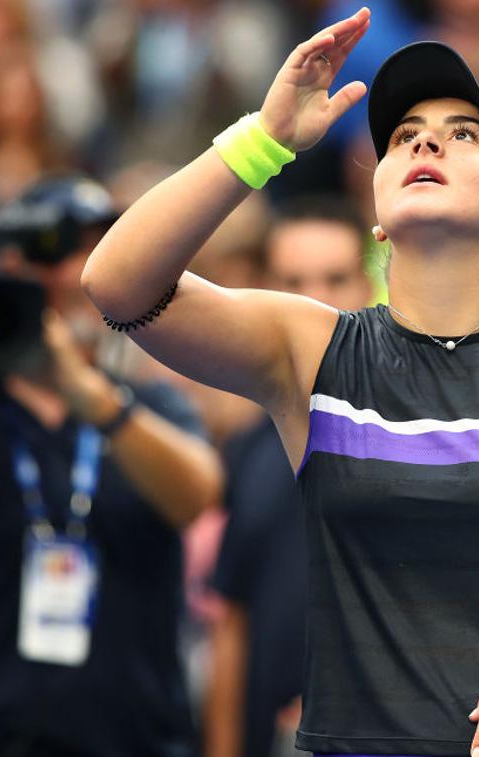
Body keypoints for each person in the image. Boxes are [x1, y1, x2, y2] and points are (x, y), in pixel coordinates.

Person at [82, 9, 479, 757]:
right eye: (403, 135)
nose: (425, 139)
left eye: (465, 133)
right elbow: (117, 283)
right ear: (378, 218)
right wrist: (264, 141)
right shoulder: (314, 351)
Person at [0, 176, 223, 756]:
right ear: (9, 268)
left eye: (103, 249)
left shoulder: (148, 406)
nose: (83, 272)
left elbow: (196, 495)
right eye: (59, 249)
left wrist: (88, 393)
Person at [204, 196, 374, 757]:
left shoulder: (414, 434)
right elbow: (230, 617)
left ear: (369, 286)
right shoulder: (248, 447)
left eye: (335, 278)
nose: (315, 299)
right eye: (294, 280)